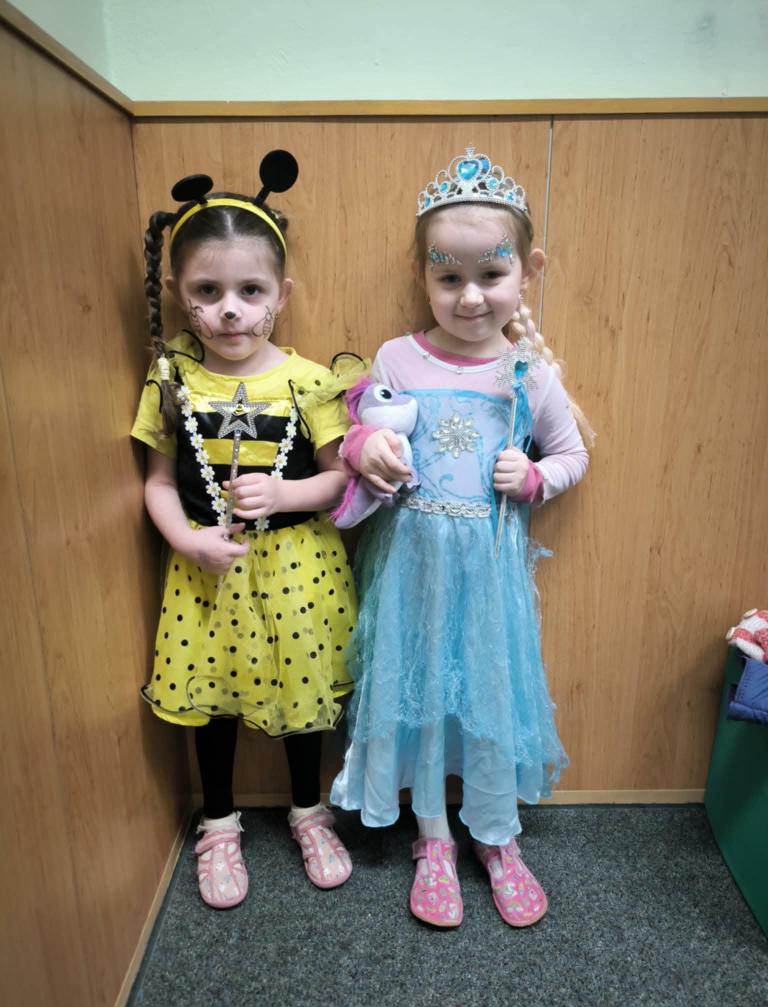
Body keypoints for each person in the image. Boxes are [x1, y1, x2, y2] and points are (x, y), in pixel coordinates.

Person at [330, 146, 591, 928]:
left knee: (485, 698)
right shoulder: (397, 357)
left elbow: (574, 454)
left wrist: (536, 478)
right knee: (419, 699)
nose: (470, 296)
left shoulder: (527, 373)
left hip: (487, 577)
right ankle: (433, 836)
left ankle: (496, 834)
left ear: (528, 272)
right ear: (421, 274)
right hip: (411, 571)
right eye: (448, 278)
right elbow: (358, 432)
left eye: (492, 274)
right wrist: (365, 449)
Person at [131, 153, 356, 908]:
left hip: (299, 565)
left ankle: (308, 810)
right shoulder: (171, 380)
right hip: (206, 569)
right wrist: (186, 540)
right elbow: (158, 483)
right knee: (213, 697)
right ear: (178, 294)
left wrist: (287, 490)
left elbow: (340, 478)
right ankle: (219, 822)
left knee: (304, 691)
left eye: (250, 291)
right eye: (208, 292)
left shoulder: (310, 380)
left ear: (281, 295)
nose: (230, 311)